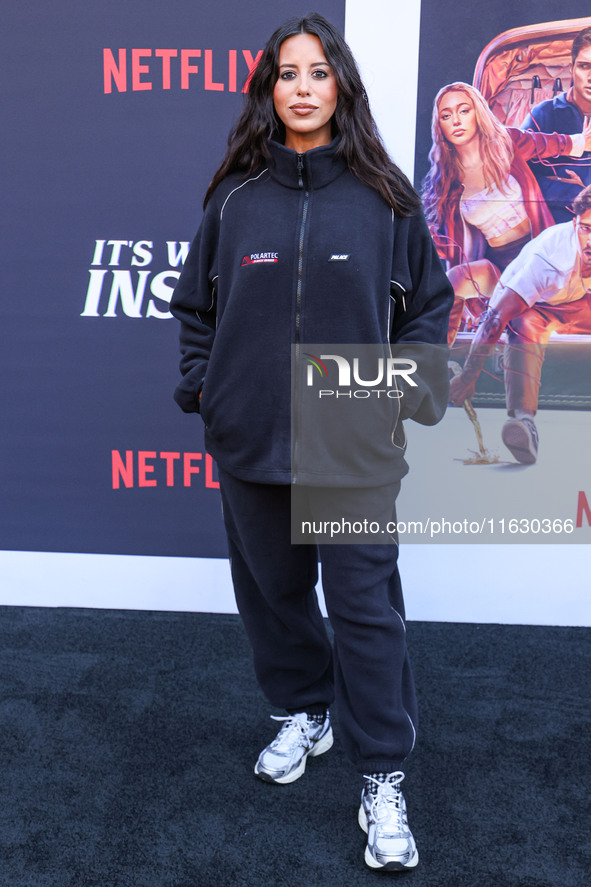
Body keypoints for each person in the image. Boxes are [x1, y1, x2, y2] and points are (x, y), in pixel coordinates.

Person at [170, 13, 453, 872]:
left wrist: (394, 398)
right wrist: (205, 387)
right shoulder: (235, 198)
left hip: (350, 445)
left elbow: (430, 315)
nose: (301, 86)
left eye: (317, 72)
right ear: (268, 89)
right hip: (251, 435)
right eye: (286, 73)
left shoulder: (385, 199)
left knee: (366, 615)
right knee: (276, 597)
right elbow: (195, 311)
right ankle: (304, 709)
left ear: (341, 88)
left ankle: (383, 775)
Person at [423, 81, 590, 344]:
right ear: (439, 125)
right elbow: (451, 248)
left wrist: (580, 142)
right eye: (446, 115)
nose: (456, 120)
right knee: (453, 281)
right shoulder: (443, 183)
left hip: (541, 255)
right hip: (500, 267)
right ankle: (437, 362)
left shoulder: (505, 142)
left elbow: (543, 144)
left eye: (464, 110)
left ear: (477, 112)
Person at [449, 184, 591, 464]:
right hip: (537, 307)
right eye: (586, 228)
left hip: (577, 302)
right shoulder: (549, 259)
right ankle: (523, 422)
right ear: (576, 222)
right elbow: (496, 319)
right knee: (522, 323)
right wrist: (467, 378)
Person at [521, 27, 591, 224]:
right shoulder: (543, 115)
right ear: (572, 69)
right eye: (585, 66)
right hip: (554, 232)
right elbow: (517, 178)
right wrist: (575, 193)